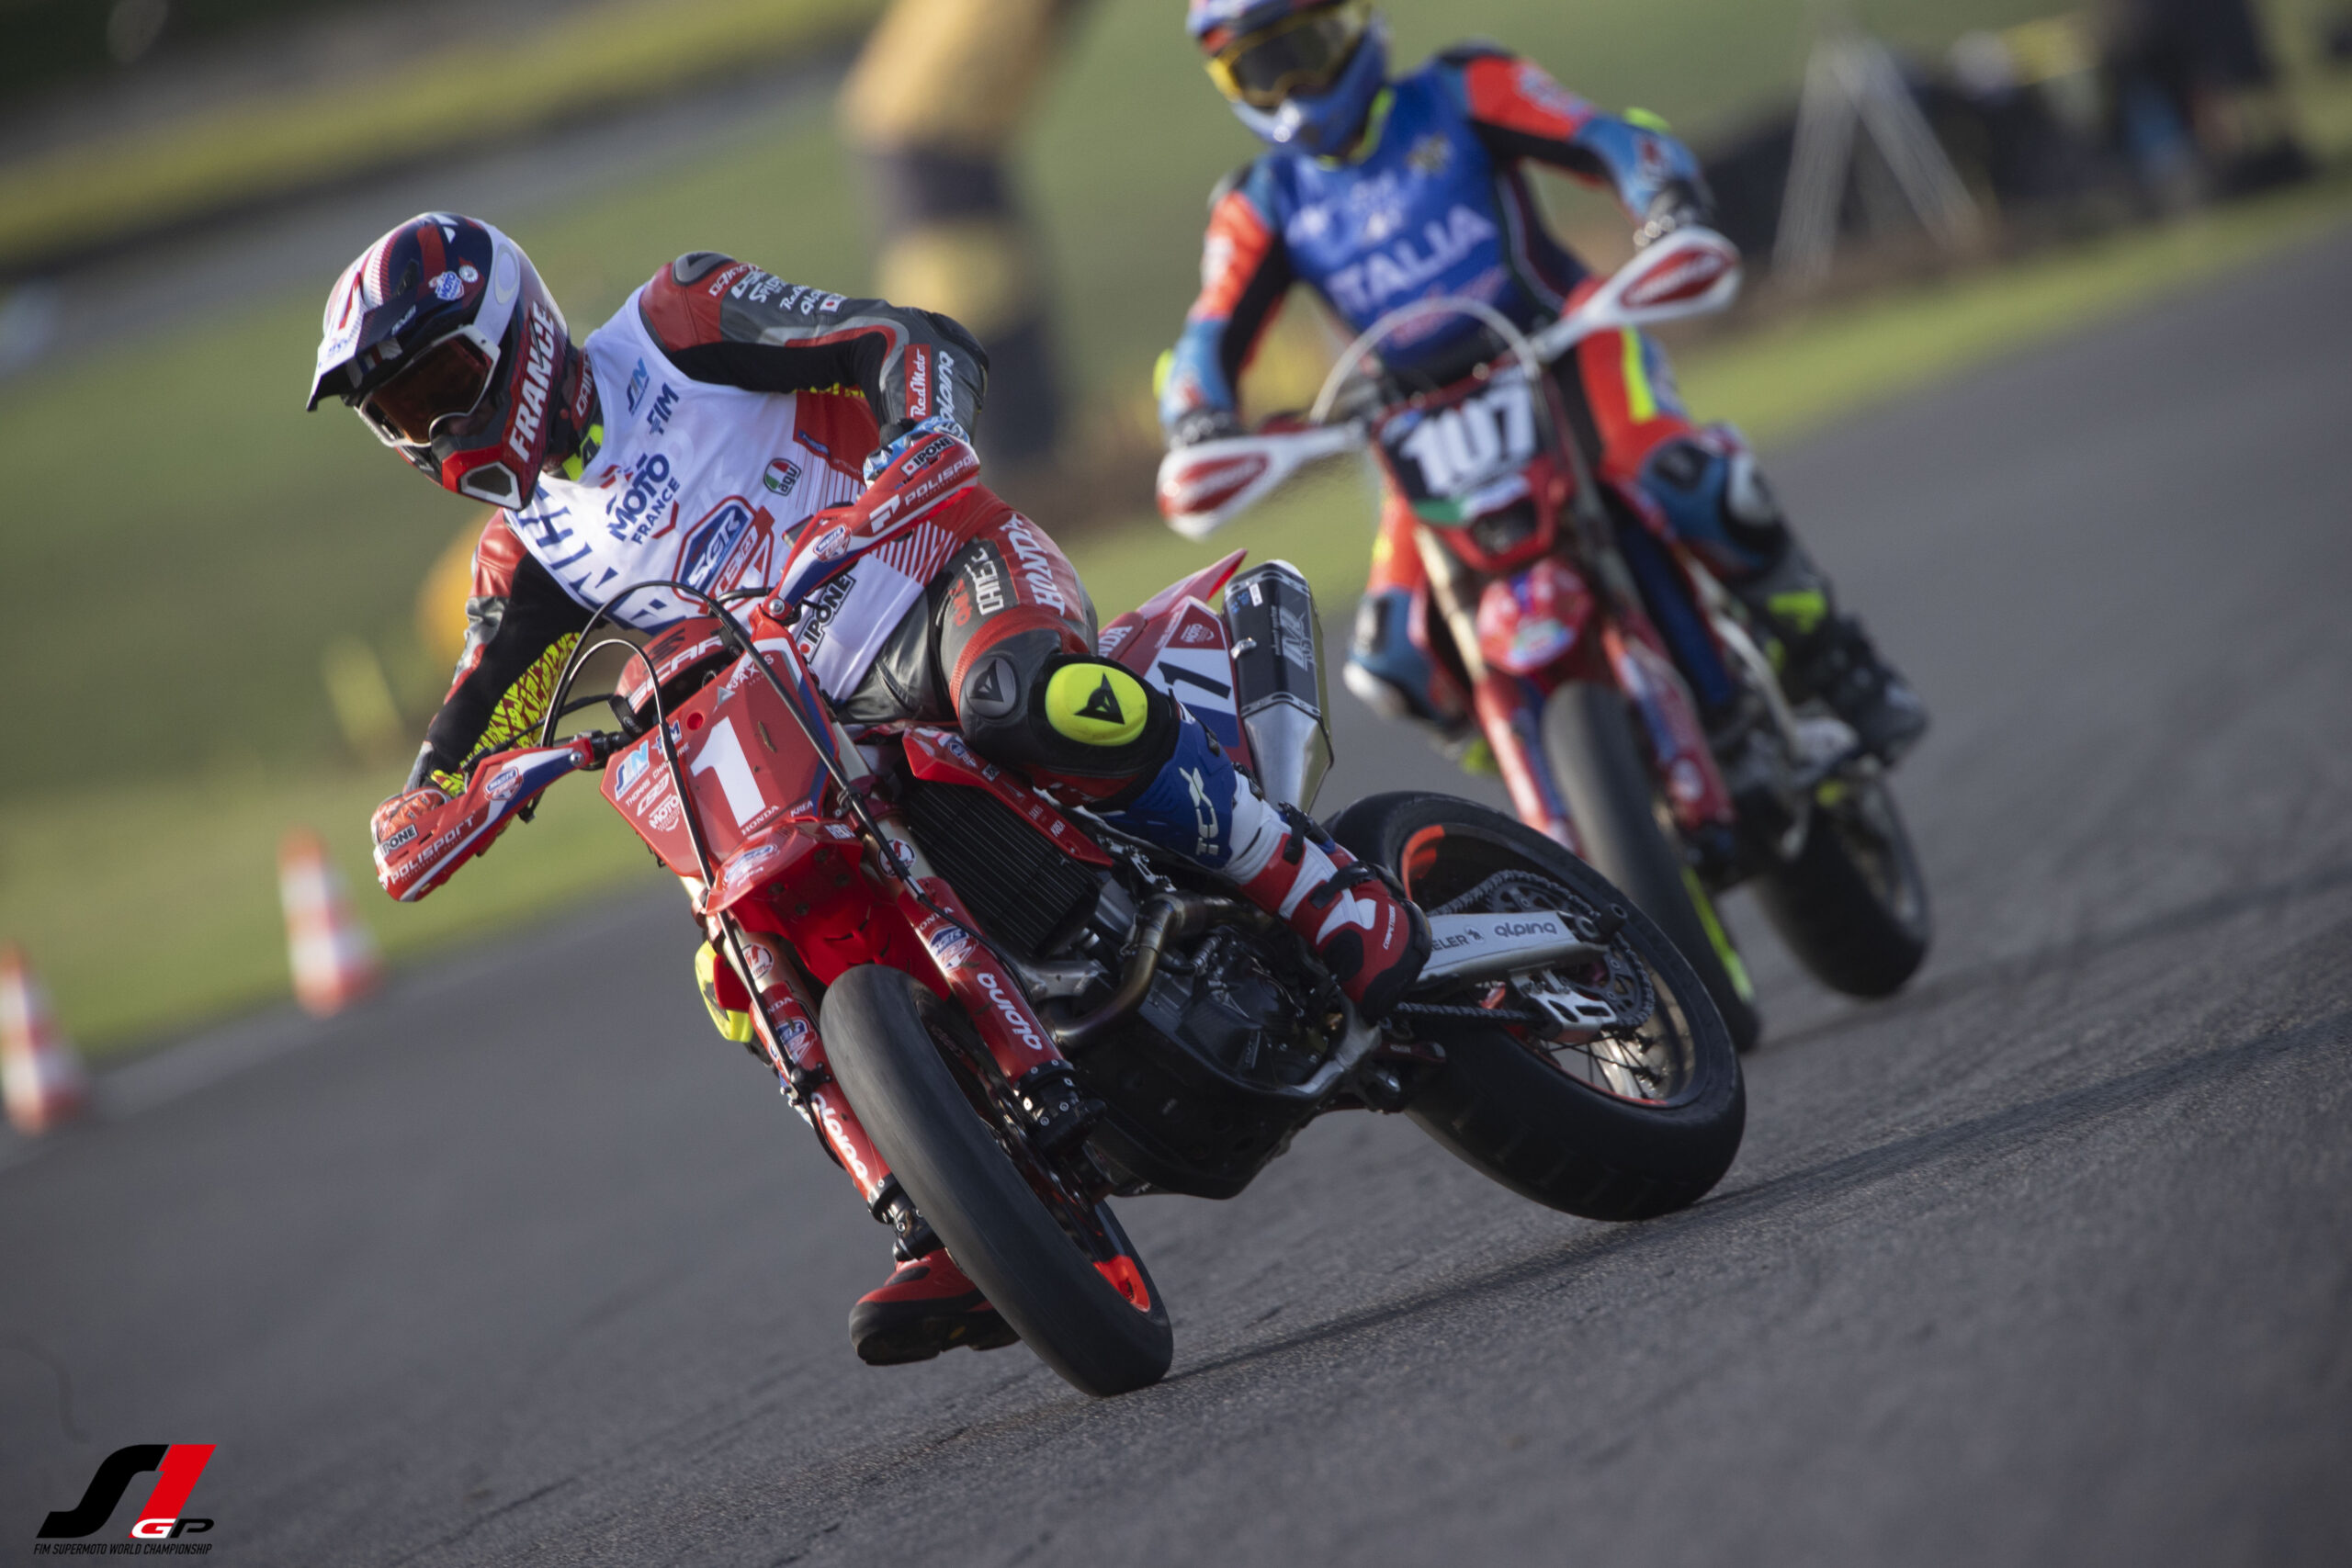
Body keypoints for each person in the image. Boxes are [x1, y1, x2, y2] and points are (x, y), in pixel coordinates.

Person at [308, 212, 1428, 1365]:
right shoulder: (521, 553)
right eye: (397, 414)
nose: (432, 430)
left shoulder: (677, 320)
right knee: (730, 961)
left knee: (1026, 702)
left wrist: (920, 437)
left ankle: (1315, 885)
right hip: (807, 727)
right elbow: (477, 708)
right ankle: (943, 1212)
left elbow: (901, 340)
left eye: (440, 383)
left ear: (518, 335)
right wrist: (426, 806)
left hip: (939, 576)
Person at [1160, 0, 1928, 774]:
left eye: (1306, 49)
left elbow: (1607, 139)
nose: (1291, 86)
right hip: (1417, 421)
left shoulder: (1461, 87)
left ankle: (1841, 663)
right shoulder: (1259, 200)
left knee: (1689, 483)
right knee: (1394, 661)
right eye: (1259, 69)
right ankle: (1558, 786)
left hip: (1564, 347)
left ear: (1355, 23)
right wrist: (1196, 416)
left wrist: (1666, 204)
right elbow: (1208, 331)